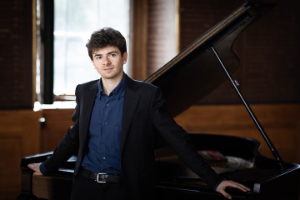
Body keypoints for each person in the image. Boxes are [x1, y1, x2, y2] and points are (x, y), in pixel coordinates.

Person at [28, 27, 250, 200]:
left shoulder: (147, 95)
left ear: (124, 57)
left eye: (112, 54)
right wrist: (47, 166)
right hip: (85, 188)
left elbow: (177, 139)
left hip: (126, 190)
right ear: (93, 62)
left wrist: (213, 180)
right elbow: (74, 136)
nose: (105, 62)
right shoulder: (84, 92)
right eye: (99, 56)